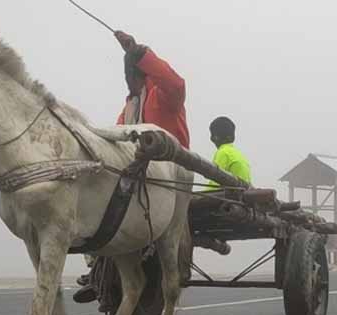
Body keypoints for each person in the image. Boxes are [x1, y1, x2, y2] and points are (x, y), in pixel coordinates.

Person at [75, 31, 191, 300]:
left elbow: (176, 83)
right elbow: (118, 137)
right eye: (126, 74)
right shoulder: (129, 107)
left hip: (170, 171)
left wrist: (139, 52)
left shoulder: (163, 95)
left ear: (141, 73)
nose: (128, 79)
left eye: (131, 73)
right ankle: (98, 270)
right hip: (139, 172)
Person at [207, 116, 252, 188]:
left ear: (214, 137)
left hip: (228, 197)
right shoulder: (239, 154)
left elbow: (214, 185)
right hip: (239, 197)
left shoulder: (223, 152)